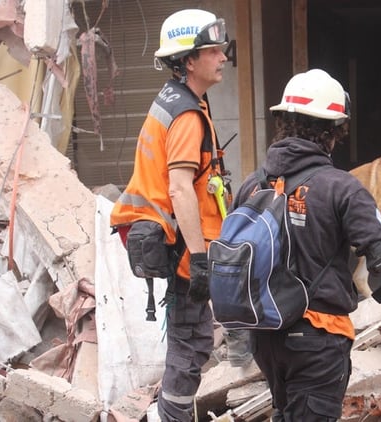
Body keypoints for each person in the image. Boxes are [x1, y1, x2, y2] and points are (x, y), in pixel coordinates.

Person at [232, 68, 381, 421]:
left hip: (265, 336)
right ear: (333, 131)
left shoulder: (250, 186)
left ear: (283, 122)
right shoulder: (340, 187)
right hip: (317, 336)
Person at [109, 8, 229, 422]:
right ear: (188, 60)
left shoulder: (180, 101)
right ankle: (169, 418)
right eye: (213, 50)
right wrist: (198, 259)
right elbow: (179, 187)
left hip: (178, 242)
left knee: (193, 340)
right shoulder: (186, 114)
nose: (223, 57)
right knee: (190, 344)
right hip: (181, 247)